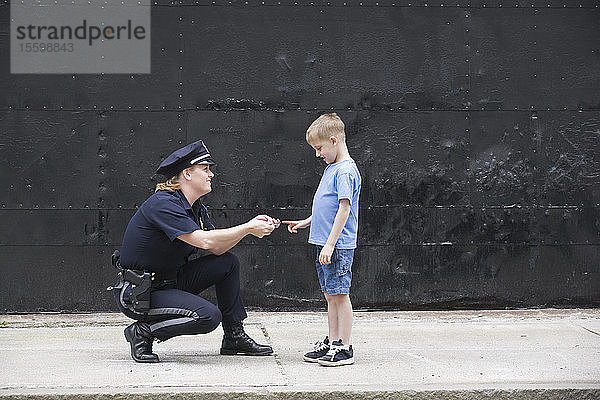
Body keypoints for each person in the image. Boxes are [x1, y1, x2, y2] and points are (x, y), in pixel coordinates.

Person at [113, 139, 279, 363]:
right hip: (140, 293)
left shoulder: (196, 208)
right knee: (208, 316)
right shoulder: (163, 204)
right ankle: (142, 332)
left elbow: (217, 247)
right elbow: (205, 241)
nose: (211, 174)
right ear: (187, 174)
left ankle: (234, 337)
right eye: (205, 169)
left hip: (169, 283)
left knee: (227, 263)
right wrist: (247, 227)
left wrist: (247, 231)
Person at [282, 113, 361, 367]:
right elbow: (325, 206)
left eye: (319, 148)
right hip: (324, 244)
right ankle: (333, 340)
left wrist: (330, 243)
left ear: (334, 140)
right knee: (330, 295)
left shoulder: (346, 171)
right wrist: (307, 222)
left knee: (340, 294)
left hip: (336, 246)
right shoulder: (331, 169)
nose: (318, 154)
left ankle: (344, 346)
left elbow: (344, 209)